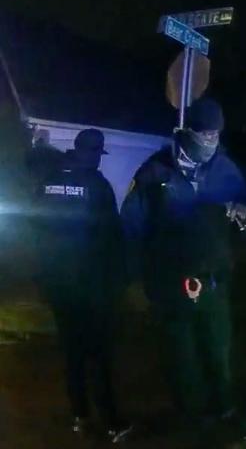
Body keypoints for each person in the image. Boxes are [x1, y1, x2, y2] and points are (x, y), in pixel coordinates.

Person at [121, 98, 246, 426]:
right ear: (188, 132)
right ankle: (193, 416)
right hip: (170, 285)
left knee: (218, 349)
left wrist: (244, 212)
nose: (212, 142)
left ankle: (226, 407)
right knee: (182, 355)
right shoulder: (154, 172)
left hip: (214, 280)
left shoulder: (226, 168)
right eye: (205, 135)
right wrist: (135, 279)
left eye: (217, 135)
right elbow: (132, 228)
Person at [32, 129, 133, 442]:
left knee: (73, 354)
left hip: (59, 287)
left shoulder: (47, 181)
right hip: (91, 287)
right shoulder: (96, 185)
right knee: (99, 357)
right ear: (92, 153)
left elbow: (36, 230)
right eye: (98, 155)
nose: (98, 162)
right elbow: (113, 238)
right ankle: (113, 423)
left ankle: (80, 416)